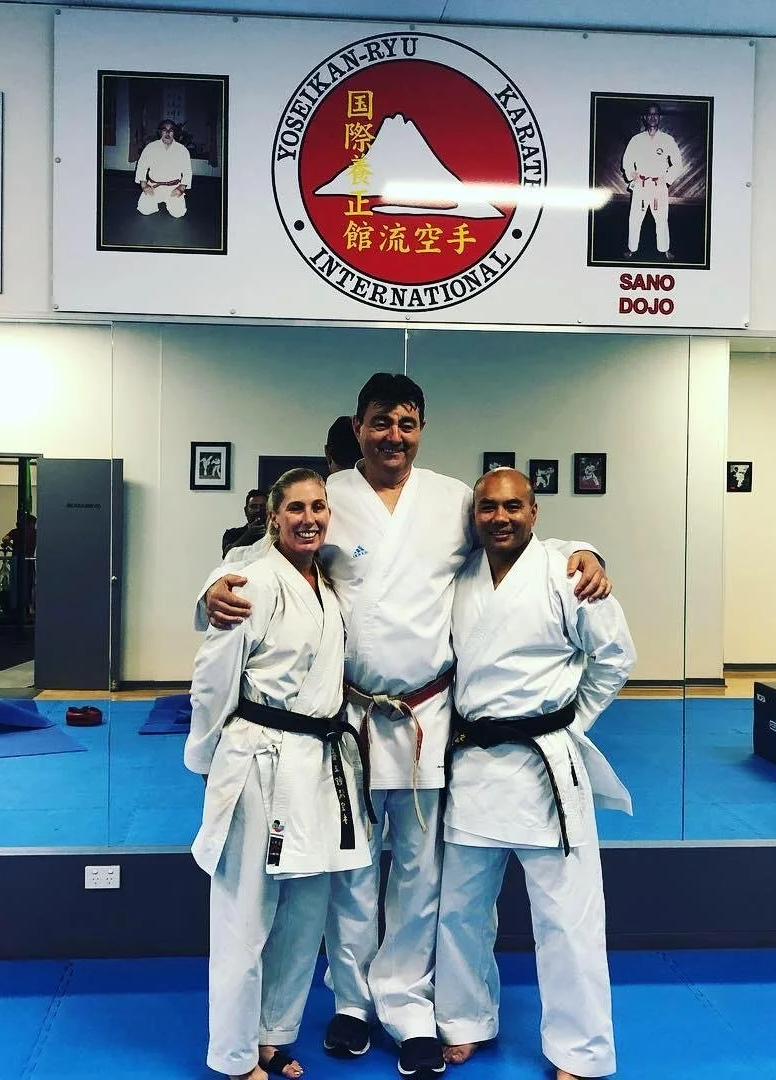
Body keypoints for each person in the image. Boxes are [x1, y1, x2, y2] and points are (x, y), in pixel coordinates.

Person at [202, 373, 610, 1079]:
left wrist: (587, 551)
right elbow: (254, 556)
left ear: (421, 428)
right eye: (380, 422)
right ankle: (352, 1002)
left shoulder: (452, 500)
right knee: (351, 867)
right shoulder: (332, 497)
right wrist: (208, 589)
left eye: (407, 422)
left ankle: (408, 1005)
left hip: (428, 713)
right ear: (357, 426)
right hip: (346, 717)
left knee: (421, 870)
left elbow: (514, 533)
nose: (394, 435)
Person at [435, 468, 635, 1080]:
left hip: (546, 765)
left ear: (534, 511)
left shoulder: (567, 573)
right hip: (474, 763)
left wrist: (568, 723)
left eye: (513, 506)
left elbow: (615, 658)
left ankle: (579, 1049)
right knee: (460, 908)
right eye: (488, 508)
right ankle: (464, 1021)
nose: (500, 517)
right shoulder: (460, 577)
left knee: (568, 915)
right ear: (475, 515)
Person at [186, 469, 375, 1080]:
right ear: (273, 517)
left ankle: (273, 1035)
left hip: (318, 760)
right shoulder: (251, 581)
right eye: (295, 508)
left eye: (318, 507)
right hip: (259, 759)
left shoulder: (327, 583)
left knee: (305, 910)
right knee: (245, 914)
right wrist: (209, 760)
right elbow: (213, 679)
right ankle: (234, 1055)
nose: (309, 518)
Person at [622, 103, 682, 261]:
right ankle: (631, 248)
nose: (653, 117)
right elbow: (627, 160)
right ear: (645, 117)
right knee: (635, 218)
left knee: (661, 218)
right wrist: (631, 174)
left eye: (655, 114)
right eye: (650, 114)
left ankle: (665, 249)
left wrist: (667, 179)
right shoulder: (636, 140)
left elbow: (677, 163)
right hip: (641, 184)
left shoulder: (667, 140)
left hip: (658, 185)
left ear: (659, 117)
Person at [135, 119, 192, 218]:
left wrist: (181, 188)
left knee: (178, 213)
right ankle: (152, 201)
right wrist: (144, 186)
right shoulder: (151, 147)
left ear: (174, 133)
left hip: (173, 187)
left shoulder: (182, 150)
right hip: (154, 186)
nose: (168, 133)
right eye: (164, 130)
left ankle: (173, 202)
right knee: (144, 210)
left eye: (171, 130)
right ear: (160, 132)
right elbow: (141, 167)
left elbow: (187, 172)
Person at [223, 490, 268, 557]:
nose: (258, 510)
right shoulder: (232, 534)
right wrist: (248, 535)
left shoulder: (277, 534)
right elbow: (228, 555)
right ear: (245, 511)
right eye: (253, 507)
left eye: (263, 506)